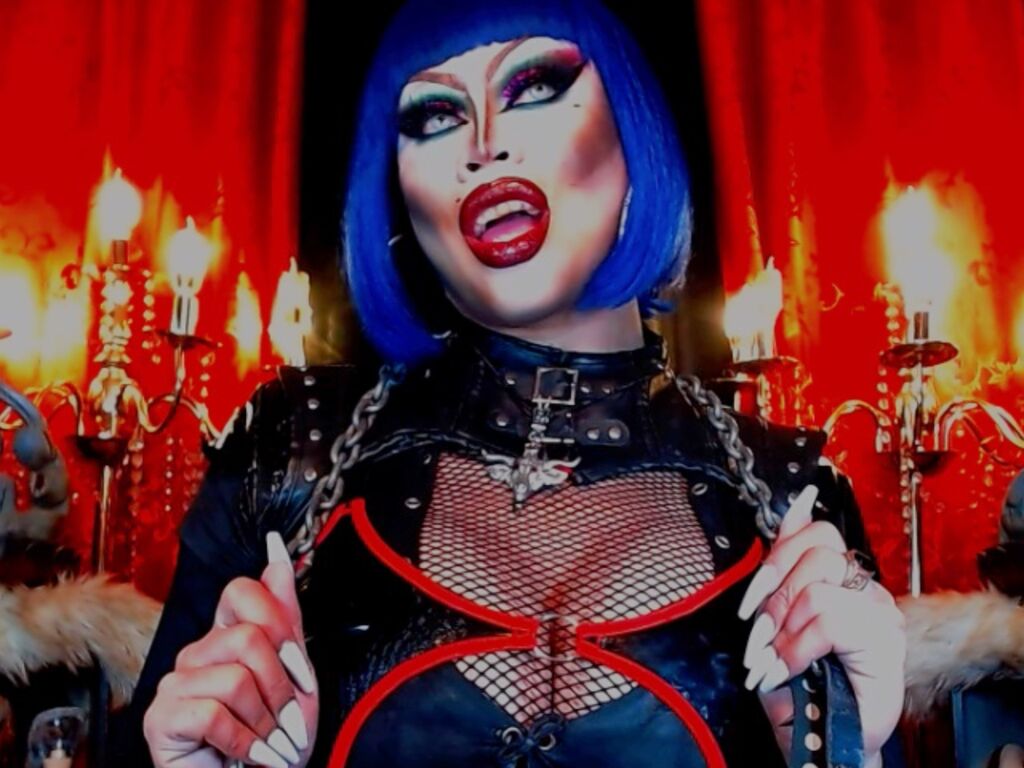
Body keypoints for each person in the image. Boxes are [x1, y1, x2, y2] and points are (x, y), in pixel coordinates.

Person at [120, 1, 907, 766]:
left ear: (632, 129)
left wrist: (852, 752)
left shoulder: (788, 493)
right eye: (434, 116)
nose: (483, 146)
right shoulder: (295, 450)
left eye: (533, 86)